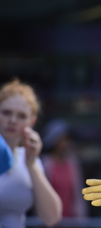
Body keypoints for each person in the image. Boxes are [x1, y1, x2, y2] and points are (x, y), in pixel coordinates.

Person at [0, 79, 62, 228]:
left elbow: (51, 218)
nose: (13, 120)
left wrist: (32, 163)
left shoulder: (26, 158)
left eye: (21, 116)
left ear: (31, 122)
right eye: (6, 113)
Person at [41, 119, 88, 218]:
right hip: (50, 219)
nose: (65, 144)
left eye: (67, 140)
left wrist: (81, 217)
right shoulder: (45, 163)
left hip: (71, 220)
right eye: (62, 140)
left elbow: (77, 192)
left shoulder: (73, 163)